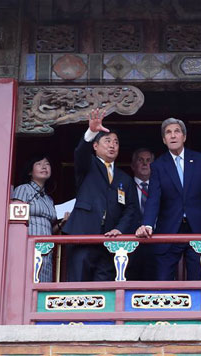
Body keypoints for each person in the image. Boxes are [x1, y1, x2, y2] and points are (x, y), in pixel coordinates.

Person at [136, 118, 201, 281]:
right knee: (162, 281)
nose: (173, 136)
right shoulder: (158, 165)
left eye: (177, 131)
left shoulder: (200, 160)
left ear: (184, 137)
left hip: (197, 227)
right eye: (168, 133)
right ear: (164, 139)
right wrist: (147, 224)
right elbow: (154, 198)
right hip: (168, 229)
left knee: (199, 281)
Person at [63, 108, 138, 282]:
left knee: (104, 290)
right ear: (95, 146)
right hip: (84, 235)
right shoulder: (88, 166)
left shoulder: (124, 179)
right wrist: (91, 132)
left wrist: (120, 229)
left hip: (110, 242)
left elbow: (131, 209)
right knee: (78, 287)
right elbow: (80, 153)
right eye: (107, 141)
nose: (112, 145)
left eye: (116, 142)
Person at [11, 154, 66, 282]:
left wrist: (61, 223)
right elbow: (15, 220)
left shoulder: (48, 199)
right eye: (39, 164)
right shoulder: (23, 189)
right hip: (27, 248)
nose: (44, 167)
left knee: (42, 285)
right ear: (30, 171)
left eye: (47, 164)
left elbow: (48, 229)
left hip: (46, 250)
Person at [127, 148, 155, 280]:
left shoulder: (160, 187)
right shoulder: (124, 185)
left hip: (156, 243)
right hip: (130, 245)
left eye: (148, 160)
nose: (145, 164)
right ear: (133, 165)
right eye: (140, 160)